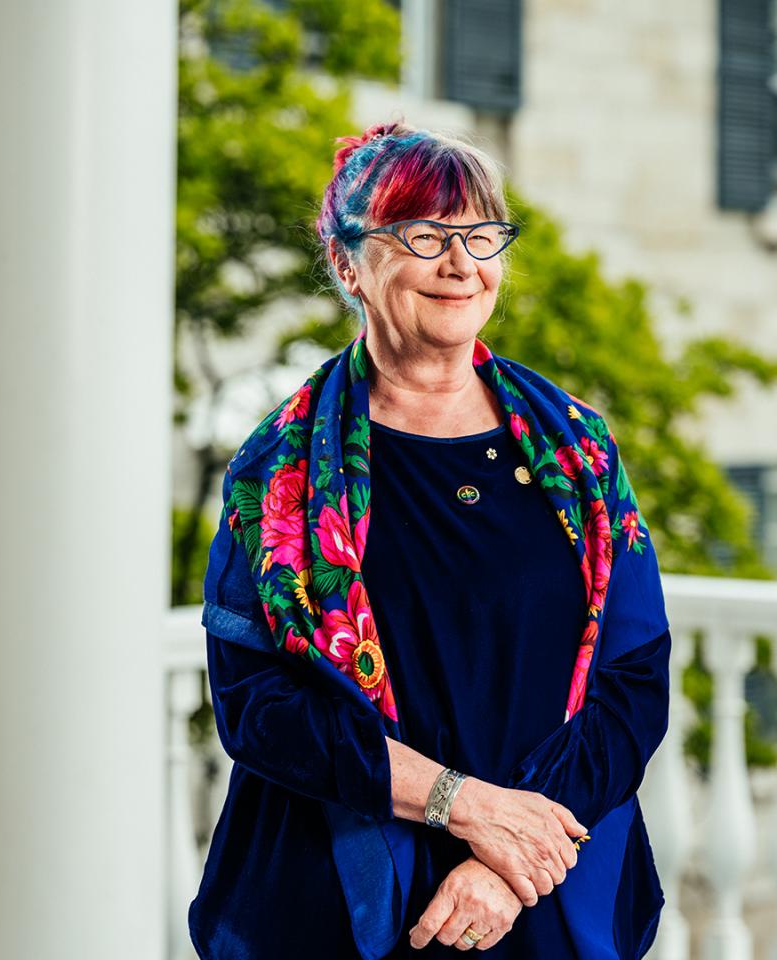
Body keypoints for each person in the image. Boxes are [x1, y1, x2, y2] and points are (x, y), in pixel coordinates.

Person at [188, 120, 671, 959]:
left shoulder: (578, 450)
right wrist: (465, 805)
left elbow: (634, 678)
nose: (461, 264)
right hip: (342, 904)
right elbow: (256, 709)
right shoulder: (279, 474)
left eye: (482, 236)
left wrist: (511, 860)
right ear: (348, 263)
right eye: (424, 235)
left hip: (545, 887)